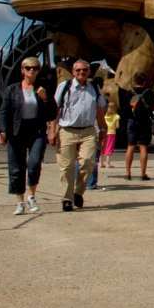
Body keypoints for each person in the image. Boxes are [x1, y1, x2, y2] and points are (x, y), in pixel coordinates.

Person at [0, 57, 56, 215]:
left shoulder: (43, 89)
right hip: (17, 130)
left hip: (36, 131)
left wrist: (45, 99)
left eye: (35, 68)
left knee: (34, 163)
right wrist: (3, 130)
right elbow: (4, 112)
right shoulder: (12, 89)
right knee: (16, 167)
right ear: (22, 70)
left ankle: (31, 196)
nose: (32, 70)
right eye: (29, 68)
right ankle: (19, 201)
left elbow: (52, 113)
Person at [52, 60, 107, 212]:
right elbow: (56, 109)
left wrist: (103, 127)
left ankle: (78, 192)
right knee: (67, 167)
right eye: (78, 70)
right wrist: (52, 130)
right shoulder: (64, 87)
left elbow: (99, 109)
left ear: (89, 72)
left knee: (88, 163)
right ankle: (67, 198)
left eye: (84, 70)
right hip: (67, 130)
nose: (81, 73)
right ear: (73, 71)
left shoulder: (94, 88)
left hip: (88, 131)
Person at [123, 73, 154, 181]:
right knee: (143, 147)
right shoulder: (149, 93)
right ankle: (143, 173)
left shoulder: (128, 93)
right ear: (144, 81)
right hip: (145, 121)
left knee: (130, 146)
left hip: (132, 120)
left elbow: (124, 107)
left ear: (134, 81)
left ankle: (128, 172)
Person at [100, 102, 120, 169]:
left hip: (104, 133)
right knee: (109, 148)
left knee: (103, 148)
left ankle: (101, 163)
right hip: (112, 133)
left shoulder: (105, 116)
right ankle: (108, 164)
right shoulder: (116, 116)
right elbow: (117, 126)